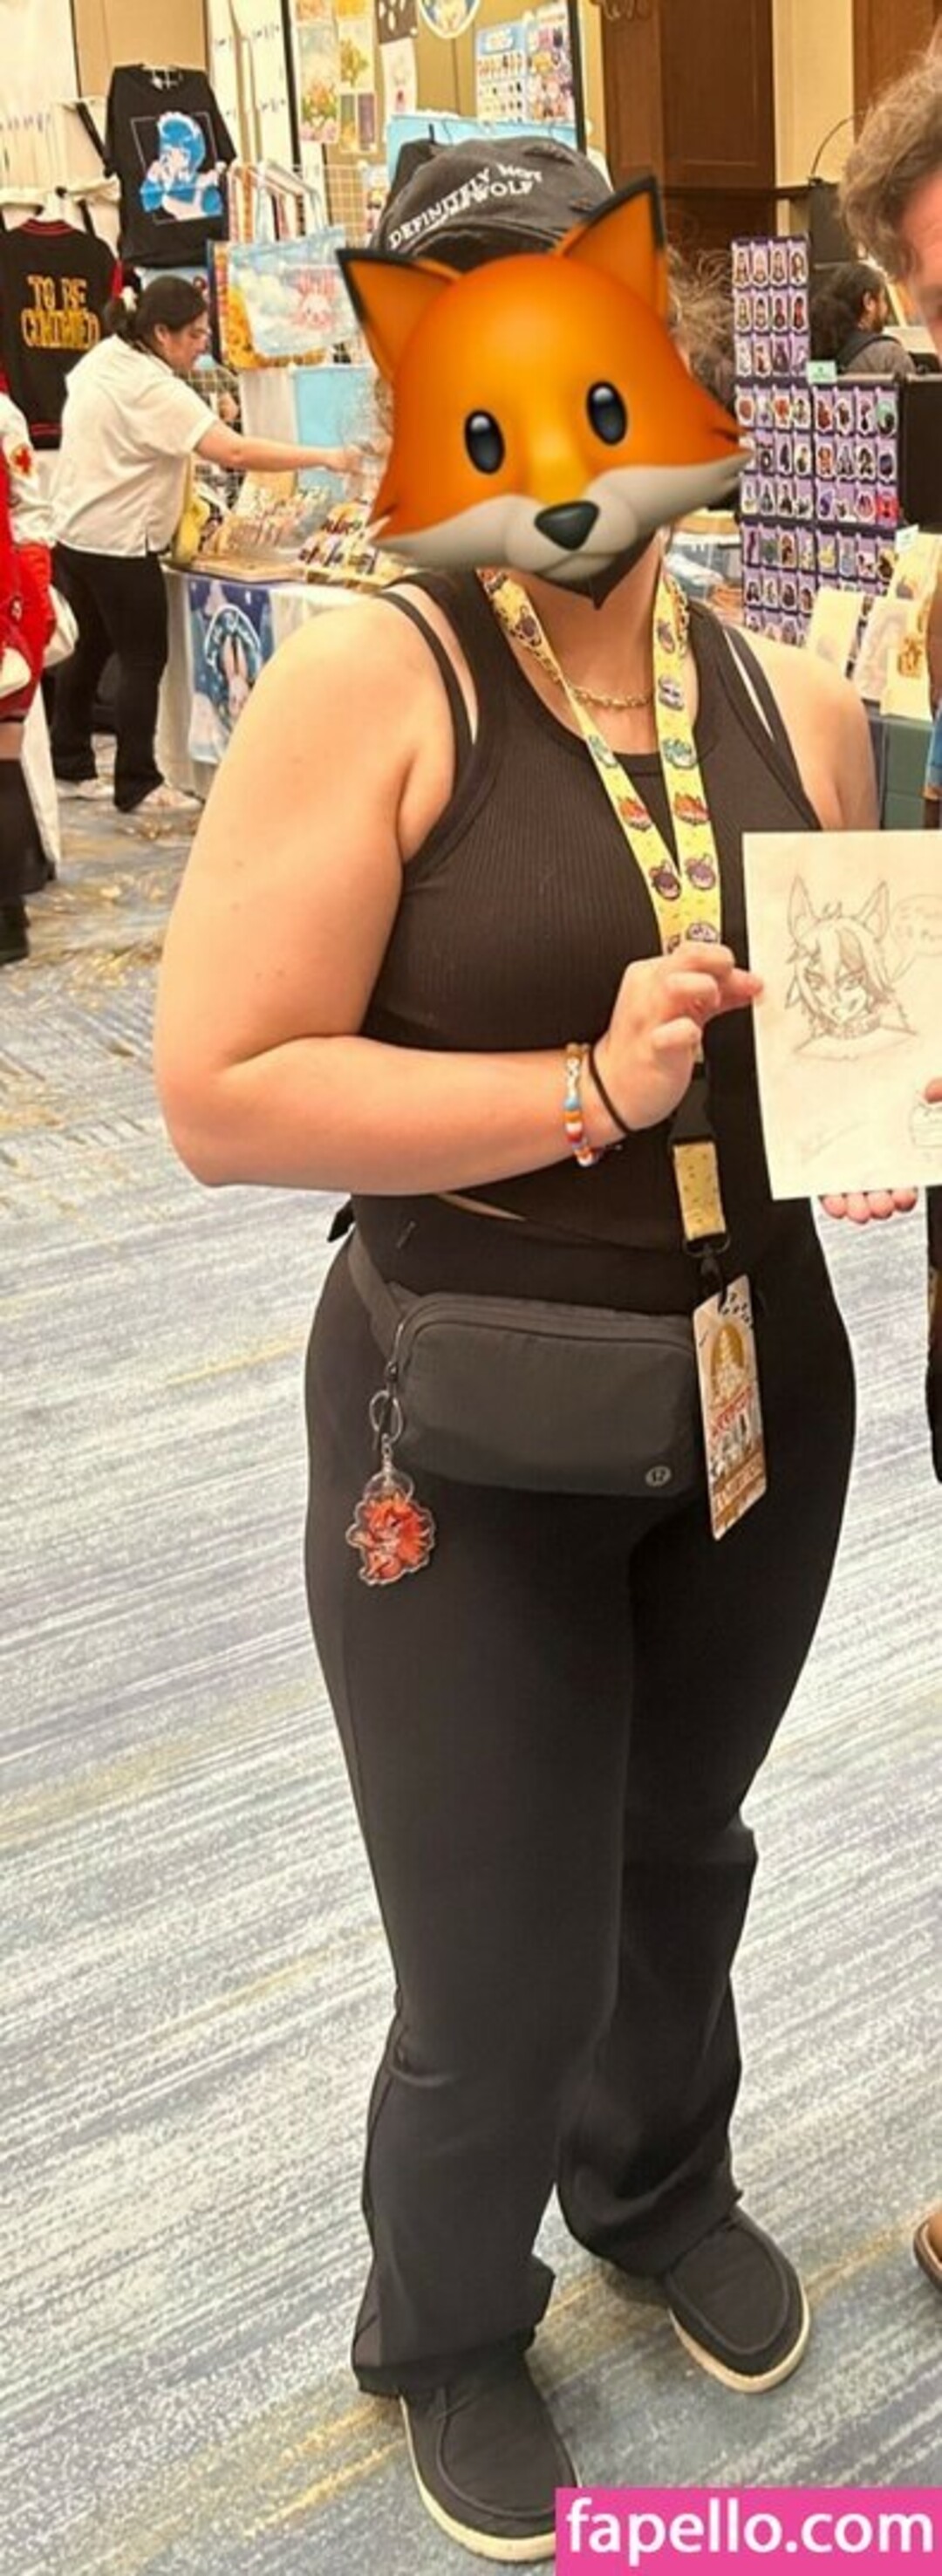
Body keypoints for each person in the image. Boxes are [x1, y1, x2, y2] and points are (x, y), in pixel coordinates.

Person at [154, 140, 918, 2561]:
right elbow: (219, 1089)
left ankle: (656, 2182)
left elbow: (830, 1046)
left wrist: (872, 1109)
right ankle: (445, 2319)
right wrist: (577, 1084)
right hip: (467, 1407)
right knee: (493, 1934)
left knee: (679, 1850)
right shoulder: (377, 678)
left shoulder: (792, 697)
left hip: (753, 1386)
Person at [49, 277, 365, 824]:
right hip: (121, 541)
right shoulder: (154, 388)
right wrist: (327, 457)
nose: (203, 345)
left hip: (76, 531)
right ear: (161, 333)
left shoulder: (107, 358)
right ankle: (138, 783)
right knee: (143, 660)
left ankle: (70, 762)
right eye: (194, 335)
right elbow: (233, 451)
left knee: (90, 648)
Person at [809, 260, 916, 378]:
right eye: (883, 299)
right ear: (868, 302)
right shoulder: (890, 355)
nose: (886, 308)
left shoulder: (815, 349)